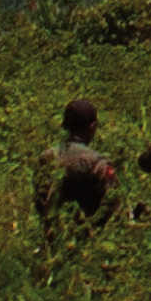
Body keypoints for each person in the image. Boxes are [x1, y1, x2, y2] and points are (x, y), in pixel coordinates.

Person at [34, 96, 120, 229]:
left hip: (53, 235)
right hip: (89, 238)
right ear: (93, 127)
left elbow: (40, 198)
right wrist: (91, 228)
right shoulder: (99, 163)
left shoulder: (46, 158)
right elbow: (112, 202)